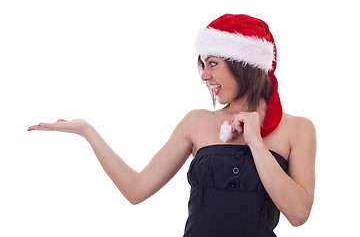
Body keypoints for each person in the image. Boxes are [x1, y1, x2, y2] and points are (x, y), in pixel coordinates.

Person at [28, 14, 316, 237]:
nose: (204, 76)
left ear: (243, 62)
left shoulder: (298, 129)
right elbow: (136, 189)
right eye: (202, 65)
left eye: (213, 63)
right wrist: (87, 132)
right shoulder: (196, 122)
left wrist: (256, 142)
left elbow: (298, 214)